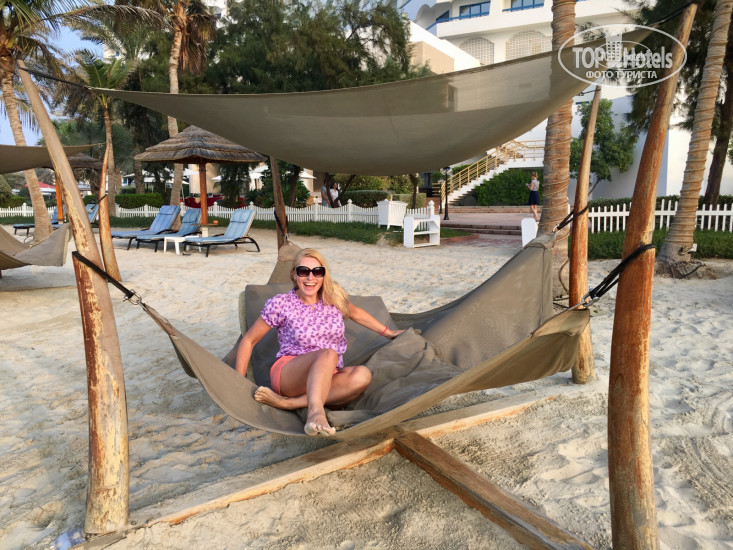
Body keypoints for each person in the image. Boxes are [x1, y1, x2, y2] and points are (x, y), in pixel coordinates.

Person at [235, 248, 403, 436]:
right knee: (328, 353)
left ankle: (288, 403)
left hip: (327, 375)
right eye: (303, 271)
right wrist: (238, 383)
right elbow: (249, 340)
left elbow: (356, 313)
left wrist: (388, 332)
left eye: (317, 272)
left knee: (362, 375)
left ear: (323, 275)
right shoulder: (281, 303)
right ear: (294, 274)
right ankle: (315, 412)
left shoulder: (333, 299)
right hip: (290, 373)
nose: (310, 277)